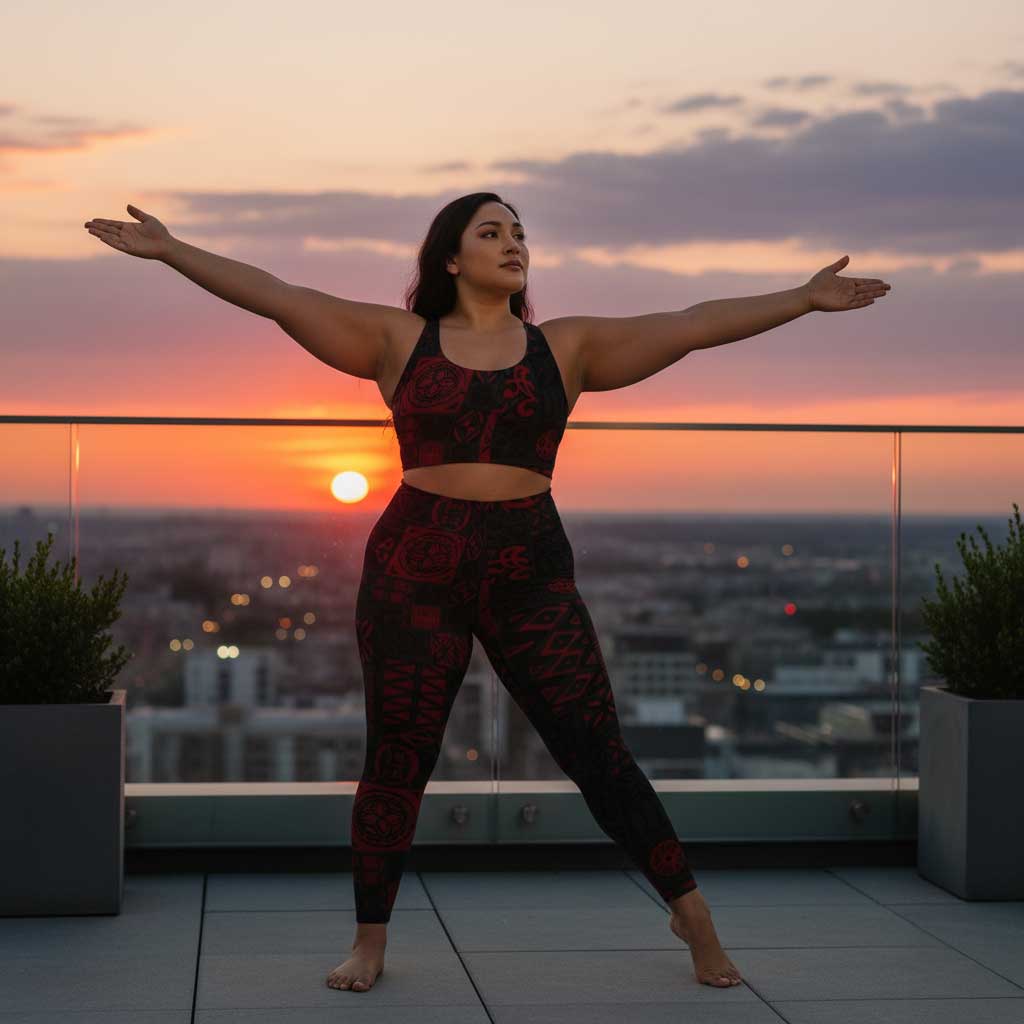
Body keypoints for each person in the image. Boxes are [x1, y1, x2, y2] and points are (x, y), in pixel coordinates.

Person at [84, 192, 890, 994]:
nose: (515, 245)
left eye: (521, 234)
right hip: (415, 564)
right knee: (398, 754)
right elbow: (280, 298)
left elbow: (689, 323)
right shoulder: (399, 340)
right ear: (450, 257)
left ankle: (692, 912)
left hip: (529, 564)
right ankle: (370, 940)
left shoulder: (565, 348)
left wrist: (803, 300)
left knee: (597, 749)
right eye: (492, 232)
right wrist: (174, 250)